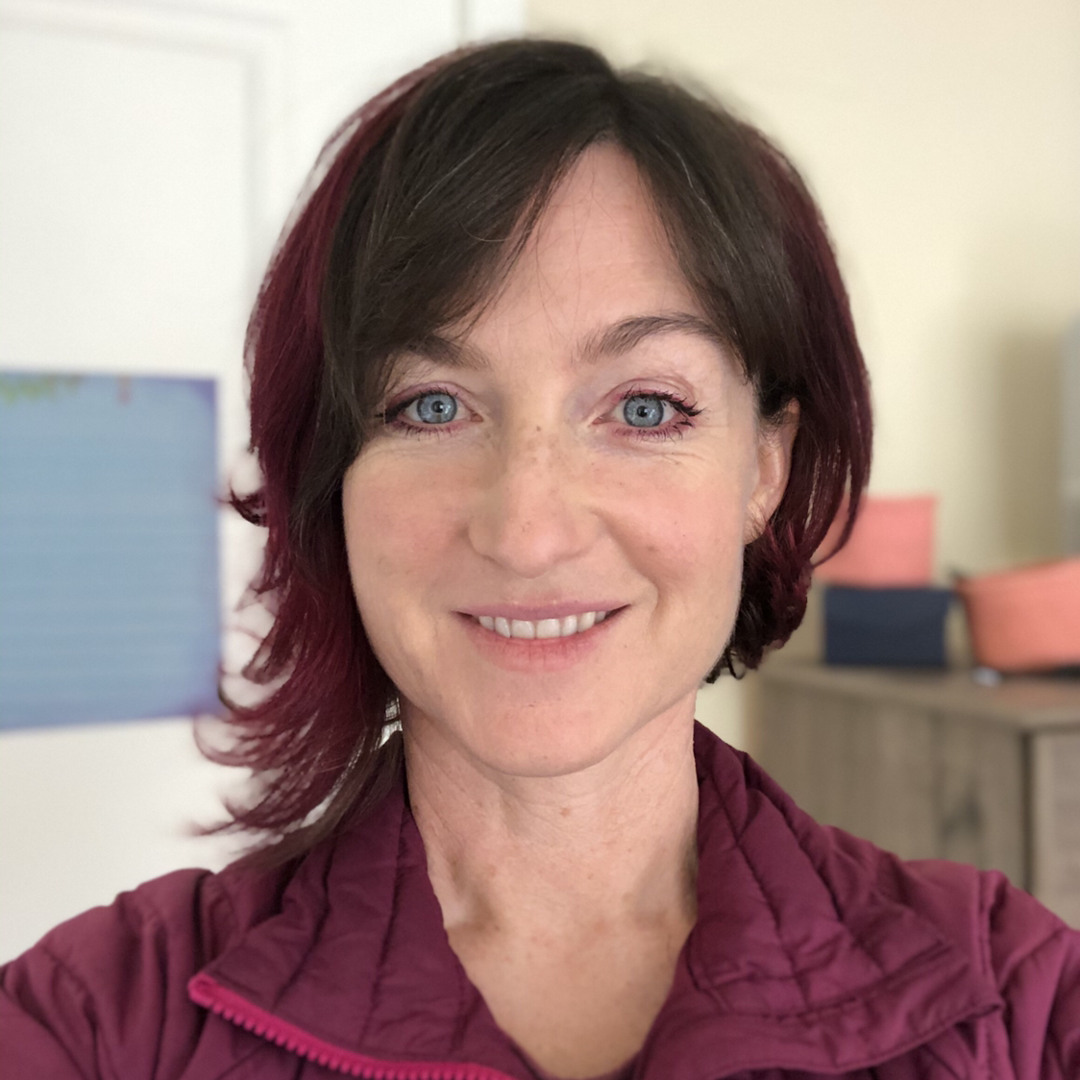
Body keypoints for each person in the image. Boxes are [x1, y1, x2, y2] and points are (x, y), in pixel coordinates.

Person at [2, 38, 1077, 1080]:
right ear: (330, 473)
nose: (527, 531)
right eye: (430, 406)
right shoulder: (97, 1025)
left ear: (765, 467)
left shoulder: (1024, 1011)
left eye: (645, 408)